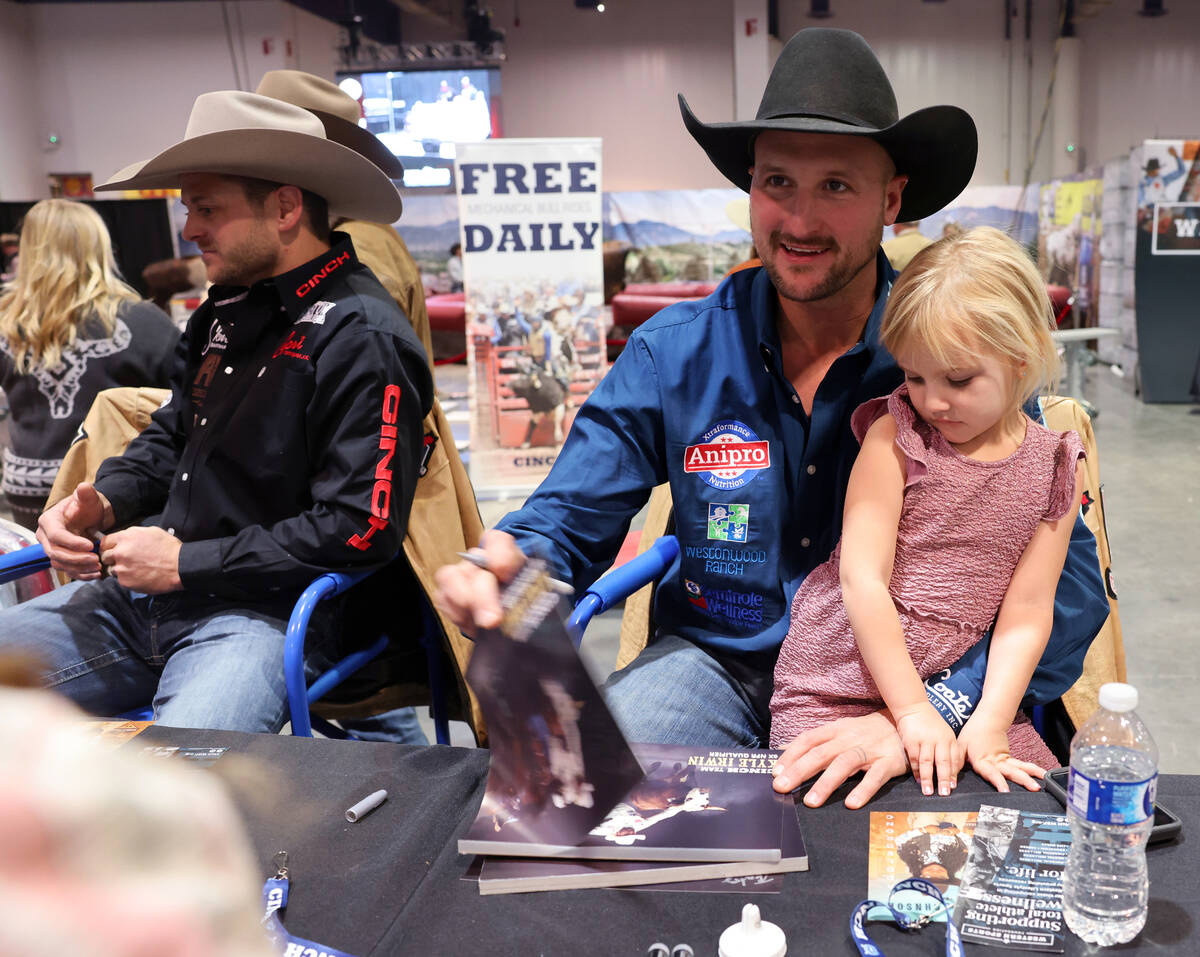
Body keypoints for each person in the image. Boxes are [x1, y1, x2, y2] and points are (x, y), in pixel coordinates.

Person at [436, 28, 1108, 809]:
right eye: (777, 181)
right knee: (584, 819)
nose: (798, 219)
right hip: (715, 664)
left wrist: (931, 711)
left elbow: (1068, 591)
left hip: (910, 686)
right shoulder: (674, 354)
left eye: (835, 187)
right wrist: (515, 562)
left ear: (892, 200)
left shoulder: (951, 351)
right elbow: (571, 511)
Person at [0, 90, 433, 733]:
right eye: (188, 209)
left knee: (186, 777)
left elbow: (357, 528)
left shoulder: (362, 336)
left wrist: (183, 564)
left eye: (207, 208)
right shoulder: (224, 310)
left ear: (285, 207)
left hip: (267, 616)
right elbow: (174, 433)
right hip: (143, 597)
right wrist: (106, 498)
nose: (190, 228)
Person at [770, 227, 1082, 799]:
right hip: (843, 677)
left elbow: (1029, 610)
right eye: (914, 376)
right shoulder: (895, 436)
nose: (932, 401)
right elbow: (861, 581)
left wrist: (989, 721)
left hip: (965, 690)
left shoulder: (1055, 465)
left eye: (958, 379)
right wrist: (911, 711)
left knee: (1021, 811)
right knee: (831, 819)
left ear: (1021, 358)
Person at [0, 199, 178, 529]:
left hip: (27, 486)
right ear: (100, 246)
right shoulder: (142, 321)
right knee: (98, 579)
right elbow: (183, 405)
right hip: (106, 488)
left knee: (39, 579)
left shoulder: (7, 321)